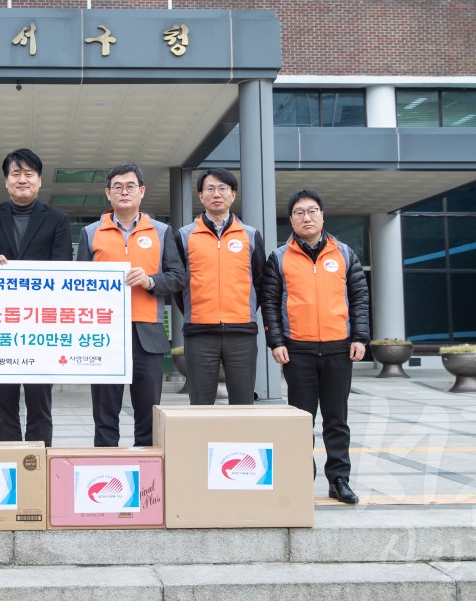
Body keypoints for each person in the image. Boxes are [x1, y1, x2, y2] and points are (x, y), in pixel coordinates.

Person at [260, 190, 369, 504]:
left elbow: (360, 299)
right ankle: (299, 480)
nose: (306, 218)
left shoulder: (345, 254)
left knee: (336, 419)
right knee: (301, 421)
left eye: (312, 211)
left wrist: (360, 337)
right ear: (291, 219)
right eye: (299, 213)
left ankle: (339, 480)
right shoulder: (279, 257)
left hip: (339, 348)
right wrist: (276, 341)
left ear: (322, 215)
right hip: (298, 351)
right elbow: (269, 303)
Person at [76, 164, 186, 447]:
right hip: (103, 335)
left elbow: (177, 277)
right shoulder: (91, 233)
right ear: (108, 193)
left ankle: (147, 478)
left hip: (147, 333)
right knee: (104, 414)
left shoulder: (161, 231)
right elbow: (78, 285)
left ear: (142, 191)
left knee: (148, 414)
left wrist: (150, 281)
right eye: (117, 187)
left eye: (130, 186)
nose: (124, 192)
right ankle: (104, 470)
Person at [0, 148, 72, 446]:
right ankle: (9, 462)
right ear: (6, 181)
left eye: (29, 174)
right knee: (3, 404)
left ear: (39, 181)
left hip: (42, 328)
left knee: (40, 403)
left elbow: (63, 271)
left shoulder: (57, 219)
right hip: (1, 327)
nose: (22, 179)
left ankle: (38, 463)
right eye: (16, 174)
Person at [176, 167, 265, 405]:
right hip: (199, 332)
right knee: (201, 403)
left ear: (233, 194)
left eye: (223, 188)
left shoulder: (250, 235)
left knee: (243, 402)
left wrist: (244, 312)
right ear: (200, 196)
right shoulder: (184, 236)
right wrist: (195, 312)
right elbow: (178, 284)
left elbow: (260, 281)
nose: (217, 194)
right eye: (210, 189)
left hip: (242, 332)